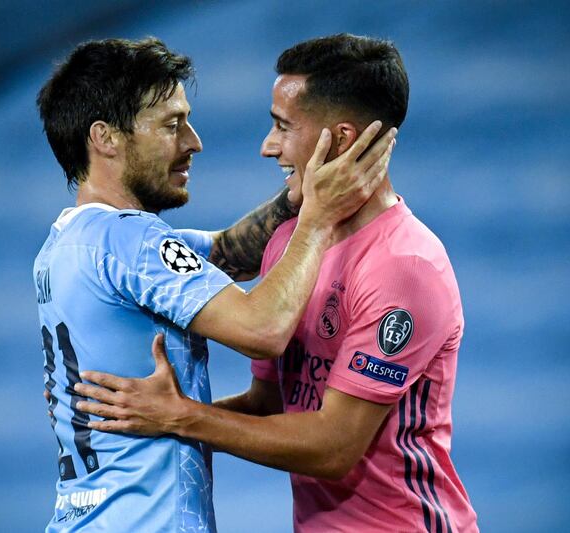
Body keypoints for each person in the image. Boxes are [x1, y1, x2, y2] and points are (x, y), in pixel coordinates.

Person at [75, 34, 479, 532]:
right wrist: (143, 418)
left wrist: (182, 417)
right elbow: (269, 406)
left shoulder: (405, 265)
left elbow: (333, 448)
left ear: (343, 140)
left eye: (283, 127)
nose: (268, 147)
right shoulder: (291, 246)